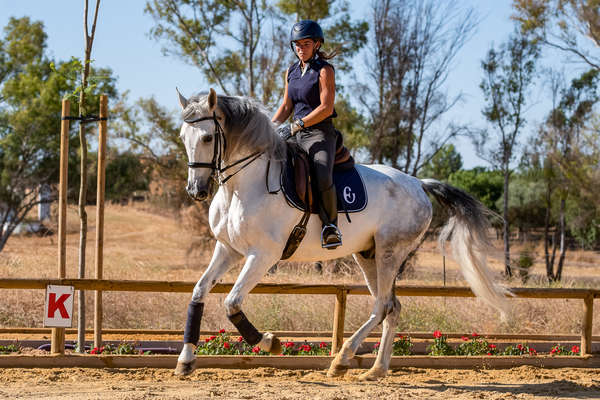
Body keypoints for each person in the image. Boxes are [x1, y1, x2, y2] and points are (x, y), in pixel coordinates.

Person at [272, 19, 342, 249]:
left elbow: (326, 108)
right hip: (294, 133)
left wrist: (298, 124)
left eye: (306, 43)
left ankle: (330, 226)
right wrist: (269, 126)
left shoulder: (325, 71)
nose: (301, 48)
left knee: (322, 173)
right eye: (298, 45)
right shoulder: (291, 71)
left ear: (317, 45)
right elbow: (285, 107)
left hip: (319, 134)